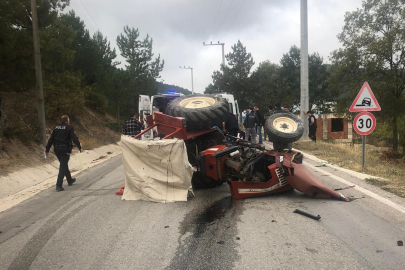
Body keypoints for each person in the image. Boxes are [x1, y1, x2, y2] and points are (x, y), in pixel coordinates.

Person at [45, 115, 82, 191]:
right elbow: (74, 138)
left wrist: (47, 149)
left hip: (57, 149)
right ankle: (58, 185)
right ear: (67, 121)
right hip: (65, 149)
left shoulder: (56, 128)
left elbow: (51, 139)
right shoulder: (69, 127)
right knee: (63, 166)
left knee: (63, 164)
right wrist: (79, 146)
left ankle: (69, 180)